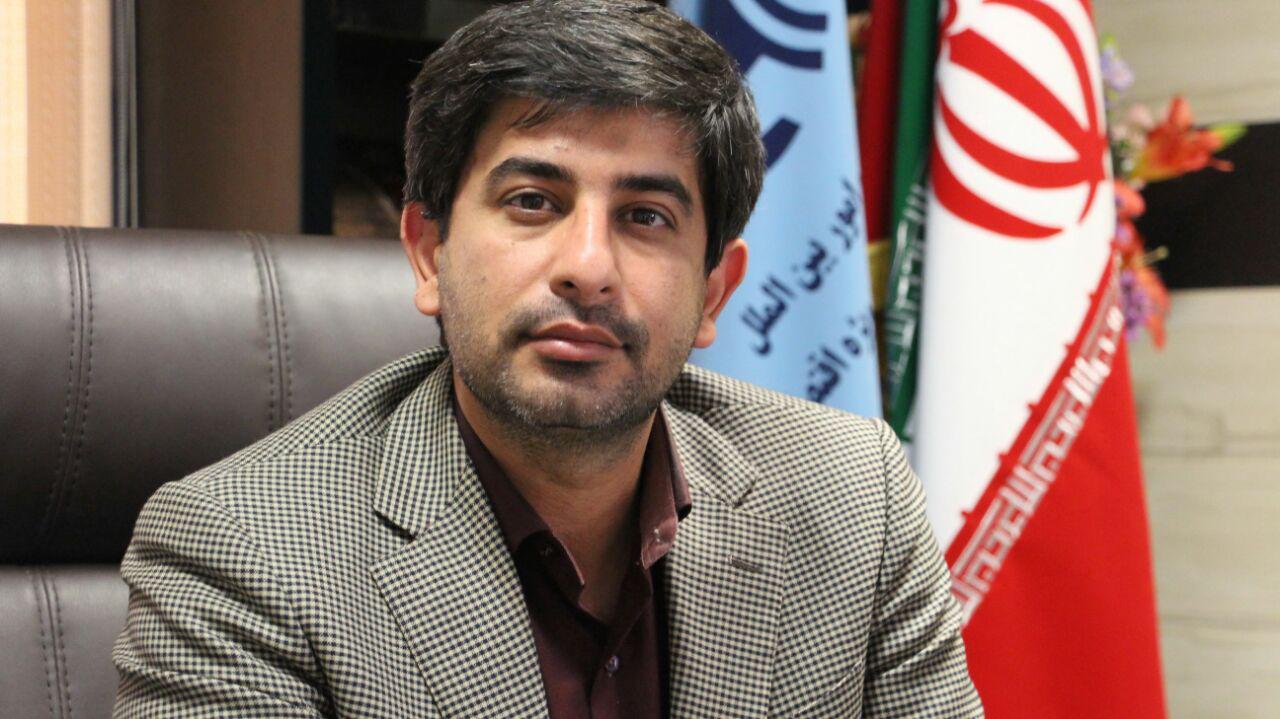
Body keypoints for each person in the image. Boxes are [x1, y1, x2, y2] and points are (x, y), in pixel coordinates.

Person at [112, 1, 981, 716]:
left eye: (645, 216)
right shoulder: (243, 551)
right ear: (428, 253)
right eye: (533, 201)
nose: (588, 267)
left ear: (714, 293)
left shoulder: (852, 498)